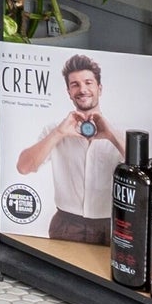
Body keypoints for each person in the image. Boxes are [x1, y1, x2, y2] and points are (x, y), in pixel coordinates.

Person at [13, 54, 121, 247]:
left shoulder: (119, 131)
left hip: (111, 225)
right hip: (66, 224)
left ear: (100, 88)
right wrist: (59, 133)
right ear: (69, 92)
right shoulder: (55, 130)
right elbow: (23, 167)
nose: (82, 89)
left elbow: (143, 171)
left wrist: (111, 135)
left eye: (88, 82)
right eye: (75, 85)